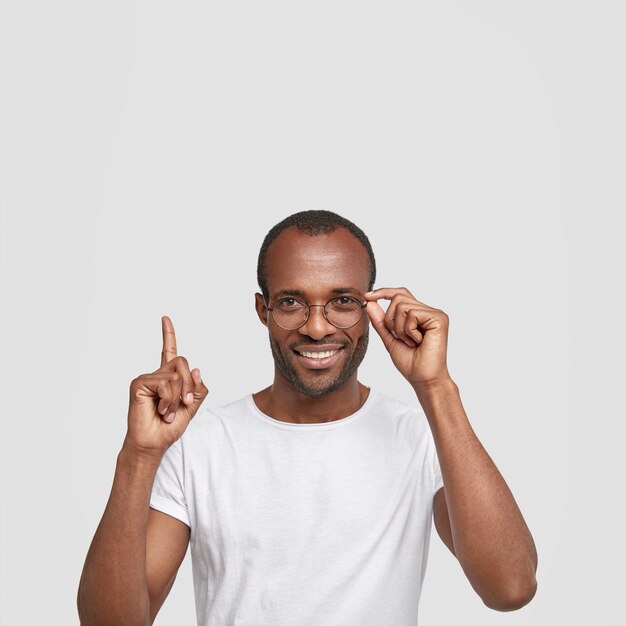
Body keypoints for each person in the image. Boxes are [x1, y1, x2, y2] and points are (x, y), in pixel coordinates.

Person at [77, 210, 538, 626]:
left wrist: (435, 387)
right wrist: (139, 455)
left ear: (371, 308)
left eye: (342, 301)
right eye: (292, 302)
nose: (317, 327)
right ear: (263, 310)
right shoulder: (203, 445)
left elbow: (509, 589)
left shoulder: (423, 437)